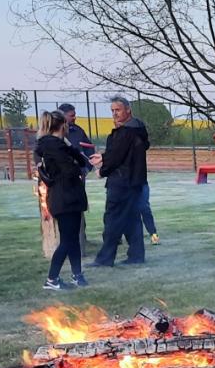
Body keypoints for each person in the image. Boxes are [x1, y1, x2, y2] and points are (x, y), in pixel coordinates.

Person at [38, 110, 101, 289]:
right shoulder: (53, 147)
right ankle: (52, 279)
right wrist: (75, 163)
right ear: (63, 125)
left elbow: (81, 162)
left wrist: (72, 152)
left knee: (73, 239)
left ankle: (77, 275)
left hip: (70, 196)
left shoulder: (60, 145)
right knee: (67, 240)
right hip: (64, 197)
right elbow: (71, 170)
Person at [91, 96, 149, 267]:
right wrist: (104, 157)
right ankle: (136, 256)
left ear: (128, 110)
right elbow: (123, 153)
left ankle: (105, 259)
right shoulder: (138, 129)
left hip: (121, 182)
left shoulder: (125, 132)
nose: (114, 114)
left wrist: (102, 170)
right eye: (112, 111)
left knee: (112, 221)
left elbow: (117, 157)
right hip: (135, 182)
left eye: (118, 110)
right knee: (132, 220)